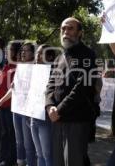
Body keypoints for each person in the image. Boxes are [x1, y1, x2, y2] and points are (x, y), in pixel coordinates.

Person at [45, 17, 98, 166]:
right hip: (56, 119)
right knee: (58, 162)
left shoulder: (88, 55)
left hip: (77, 120)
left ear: (80, 32)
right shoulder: (59, 58)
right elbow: (50, 84)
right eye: (63, 29)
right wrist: (49, 106)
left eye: (70, 28)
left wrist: (59, 110)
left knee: (73, 161)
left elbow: (82, 89)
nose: (65, 32)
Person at [0, 41, 37, 166]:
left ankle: (15, 161)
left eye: (26, 51)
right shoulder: (20, 68)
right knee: (16, 139)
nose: (23, 53)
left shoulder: (35, 68)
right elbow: (13, 88)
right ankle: (12, 160)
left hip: (26, 111)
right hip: (15, 109)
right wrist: (0, 101)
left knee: (27, 143)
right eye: (22, 51)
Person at [0, 41, 22, 166]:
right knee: (5, 133)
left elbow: (13, 88)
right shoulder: (6, 66)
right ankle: (2, 157)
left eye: (8, 51)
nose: (5, 53)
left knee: (11, 134)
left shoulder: (18, 67)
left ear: (15, 52)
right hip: (2, 106)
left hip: (10, 106)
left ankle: (10, 160)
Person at [31, 44, 56, 166]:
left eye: (41, 53)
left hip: (45, 118)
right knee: (39, 153)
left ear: (50, 56)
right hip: (33, 117)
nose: (38, 56)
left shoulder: (54, 73)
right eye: (37, 53)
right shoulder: (32, 71)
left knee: (47, 154)